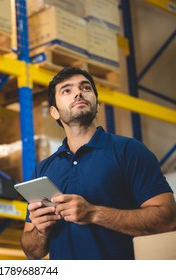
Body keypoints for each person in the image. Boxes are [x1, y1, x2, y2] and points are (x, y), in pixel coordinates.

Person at [21, 67, 176, 260]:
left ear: (98, 105)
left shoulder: (129, 150)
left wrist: (93, 213)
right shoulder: (42, 170)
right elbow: (31, 250)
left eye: (85, 88)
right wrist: (41, 231)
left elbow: (168, 219)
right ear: (54, 112)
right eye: (66, 90)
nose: (78, 92)